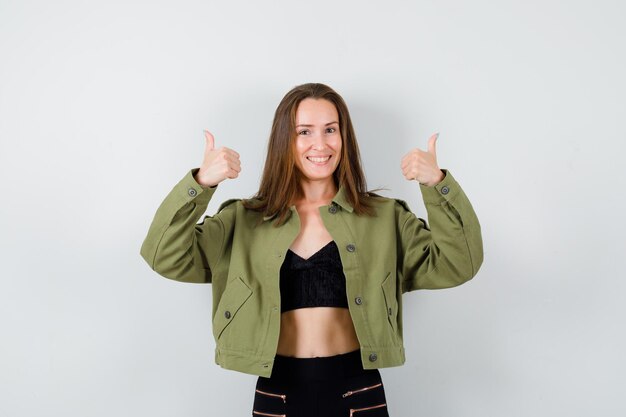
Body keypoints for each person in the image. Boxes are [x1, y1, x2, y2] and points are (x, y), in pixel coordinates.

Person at [140, 83, 483, 417]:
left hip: (358, 390)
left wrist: (438, 185)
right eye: (304, 131)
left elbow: (459, 263)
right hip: (279, 392)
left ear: (344, 137)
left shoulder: (384, 218)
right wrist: (200, 184)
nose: (320, 144)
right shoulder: (244, 220)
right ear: (284, 141)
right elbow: (164, 255)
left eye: (330, 129)